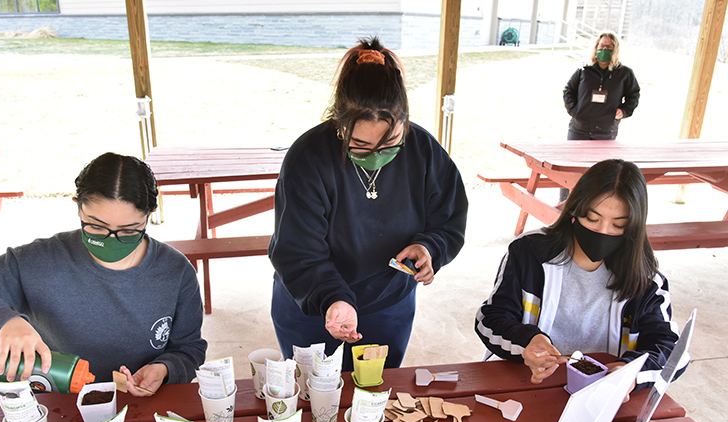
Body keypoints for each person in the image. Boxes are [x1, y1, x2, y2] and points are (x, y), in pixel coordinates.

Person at [0, 152, 207, 396]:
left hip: (142, 407)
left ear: (150, 215)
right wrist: (1, 321)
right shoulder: (36, 262)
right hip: (57, 406)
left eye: (128, 230)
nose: (111, 239)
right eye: (96, 226)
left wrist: (165, 368)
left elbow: (189, 348)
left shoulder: (175, 272)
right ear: (77, 205)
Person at [268, 37, 468, 371]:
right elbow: (298, 250)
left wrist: (430, 247)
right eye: (359, 146)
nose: (376, 156)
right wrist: (334, 298)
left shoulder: (425, 151)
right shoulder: (308, 158)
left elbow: (448, 219)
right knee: (314, 396)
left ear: (405, 120)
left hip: (389, 302)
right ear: (339, 124)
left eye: (390, 143)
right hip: (313, 301)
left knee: (376, 396)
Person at [475, 159, 686, 390]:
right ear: (575, 211)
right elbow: (490, 319)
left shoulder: (646, 281)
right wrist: (528, 342)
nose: (603, 232)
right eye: (593, 219)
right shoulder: (529, 253)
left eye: (618, 225)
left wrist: (630, 372)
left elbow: (671, 350)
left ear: (634, 227)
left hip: (601, 392)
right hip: (526, 380)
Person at [563, 31, 640, 141]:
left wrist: (624, 111)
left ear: (615, 49)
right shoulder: (584, 70)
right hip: (579, 128)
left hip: (606, 130)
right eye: (602, 45)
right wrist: (574, 111)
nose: (605, 49)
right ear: (596, 47)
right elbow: (569, 90)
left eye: (609, 46)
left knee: (602, 158)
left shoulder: (624, 73)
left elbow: (633, 94)